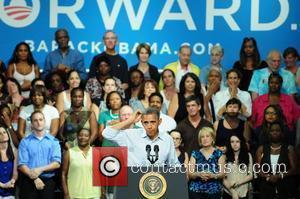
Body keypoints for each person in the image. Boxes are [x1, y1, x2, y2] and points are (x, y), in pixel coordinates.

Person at [102, 108, 180, 166]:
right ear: (142, 123)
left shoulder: (167, 139)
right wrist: (130, 120)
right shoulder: (131, 135)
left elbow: (174, 164)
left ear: (159, 122)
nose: (149, 126)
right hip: (133, 181)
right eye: (146, 122)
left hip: (158, 181)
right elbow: (106, 133)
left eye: (152, 122)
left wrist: (182, 175)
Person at [18, 111, 61, 199]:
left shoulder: (54, 141)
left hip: (48, 182)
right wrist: (35, 178)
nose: (38, 122)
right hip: (28, 181)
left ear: (45, 122)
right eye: (35, 120)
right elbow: (22, 165)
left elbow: (56, 163)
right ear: (32, 124)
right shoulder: (25, 142)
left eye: (41, 119)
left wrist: (39, 169)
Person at [256, 122, 297, 199]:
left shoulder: (289, 148)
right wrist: (268, 176)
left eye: (277, 130)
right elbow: (257, 169)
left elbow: (294, 169)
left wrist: (279, 176)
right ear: (269, 133)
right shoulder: (261, 149)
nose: (275, 132)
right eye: (272, 131)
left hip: (285, 188)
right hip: (266, 189)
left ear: (282, 133)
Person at [62, 128, 101, 199]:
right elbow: (63, 174)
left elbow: (100, 175)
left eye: (86, 135)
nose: (83, 137)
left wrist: (102, 192)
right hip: (75, 194)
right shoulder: (69, 152)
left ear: (90, 137)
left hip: (94, 194)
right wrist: (66, 193)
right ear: (77, 137)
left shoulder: (96, 153)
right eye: (80, 135)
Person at [188, 127, 225, 199]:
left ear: (212, 138)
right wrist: (199, 174)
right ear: (200, 140)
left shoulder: (219, 153)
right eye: (202, 137)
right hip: (196, 191)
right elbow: (190, 174)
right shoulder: (195, 153)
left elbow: (222, 174)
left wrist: (213, 175)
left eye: (207, 136)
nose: (205, 139)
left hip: (214, 191)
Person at [223, 135, 253, 199]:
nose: (235, 144)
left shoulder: (248, 155)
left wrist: (238, 183)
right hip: (228, 192)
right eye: (232, 142)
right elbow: (223, 178)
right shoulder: (225, 156)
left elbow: (250, 175)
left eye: (237, 141)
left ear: (241, 143)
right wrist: (233, 192)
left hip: (243, 192)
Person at [0, 127, 18, 199]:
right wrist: (3, 185)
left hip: (10, 190)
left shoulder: (15, 152)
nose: (3, 134)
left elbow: (15, 173)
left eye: (4, 132)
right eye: (0, 133)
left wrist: (12, 181)